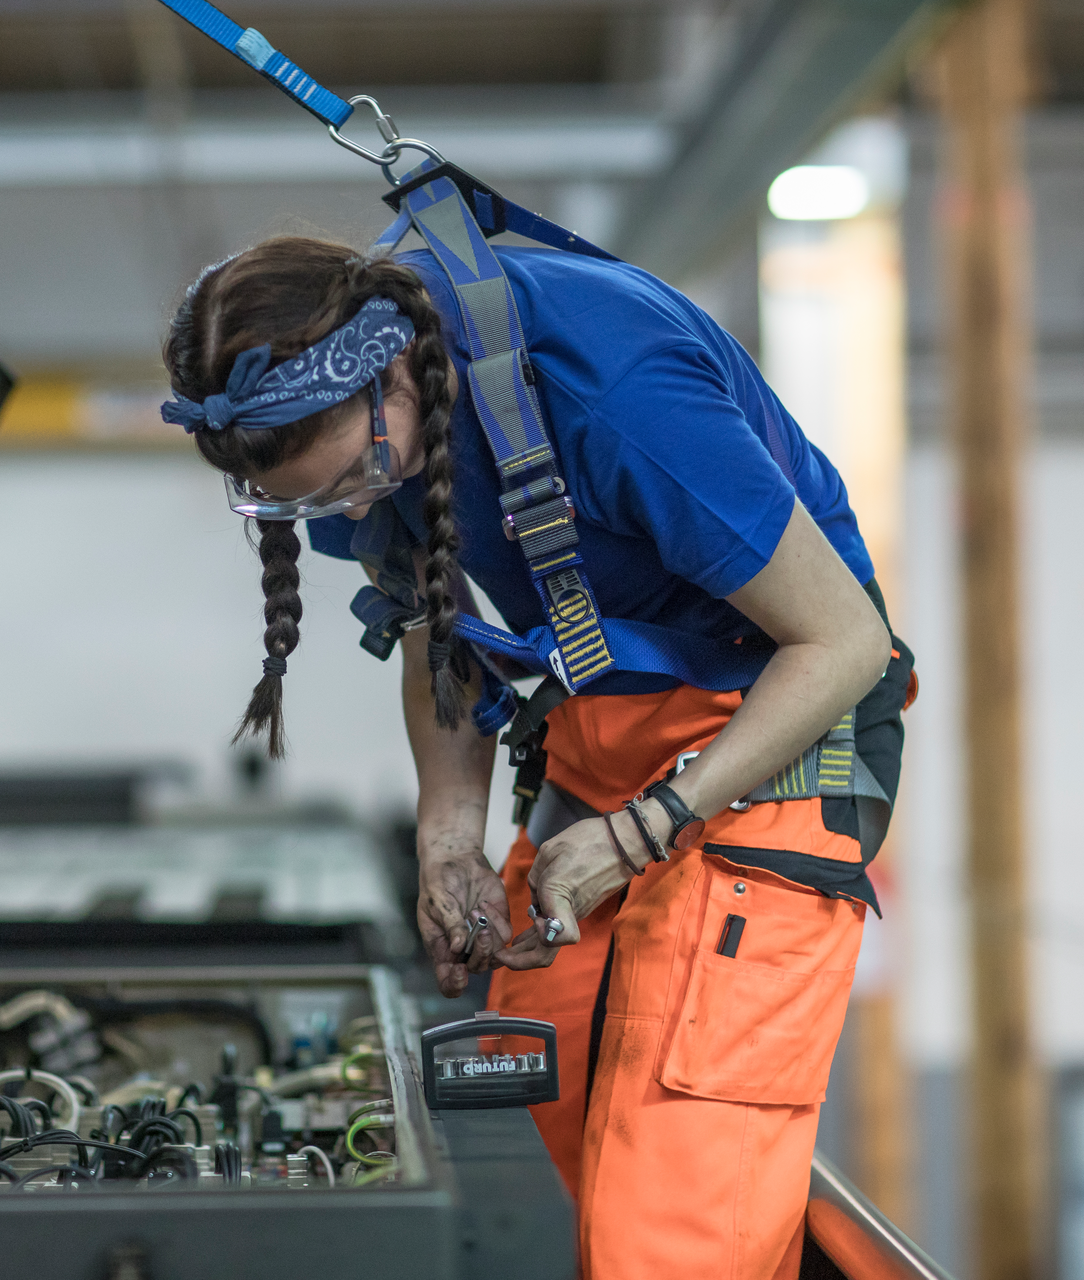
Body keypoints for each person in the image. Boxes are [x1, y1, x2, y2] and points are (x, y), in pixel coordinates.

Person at [160, 232, 914, 1280]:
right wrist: (448, 836)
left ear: (395, 377)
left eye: (360, 475)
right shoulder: (373, 441)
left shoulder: (616, 392)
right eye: (315, 505)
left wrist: (650, 825)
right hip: (604, 755)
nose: (356, 509)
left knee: (669, 1236)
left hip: (771, 752)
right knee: (531, 1149)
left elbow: (843, 641)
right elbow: (438, 628)